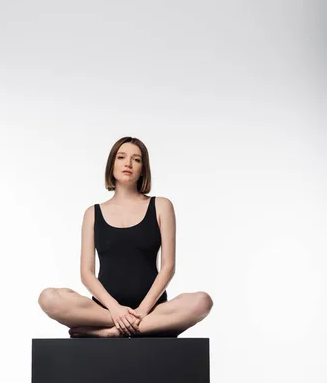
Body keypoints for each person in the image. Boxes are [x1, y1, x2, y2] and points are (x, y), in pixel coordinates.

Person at [38, 136, 213, 337]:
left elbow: (168, 267)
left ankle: (107, 332)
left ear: (143, 169)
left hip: (152, 310)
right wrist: (115, 309)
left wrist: (142, 311)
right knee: (49, 298)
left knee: (202, 302)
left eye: (136, 159)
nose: (128, 163)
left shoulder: (161, 206)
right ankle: (134, 327)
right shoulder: (92, 213)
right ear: (112, 164)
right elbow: (87, 273)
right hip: (104, 311)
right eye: (121, 157)